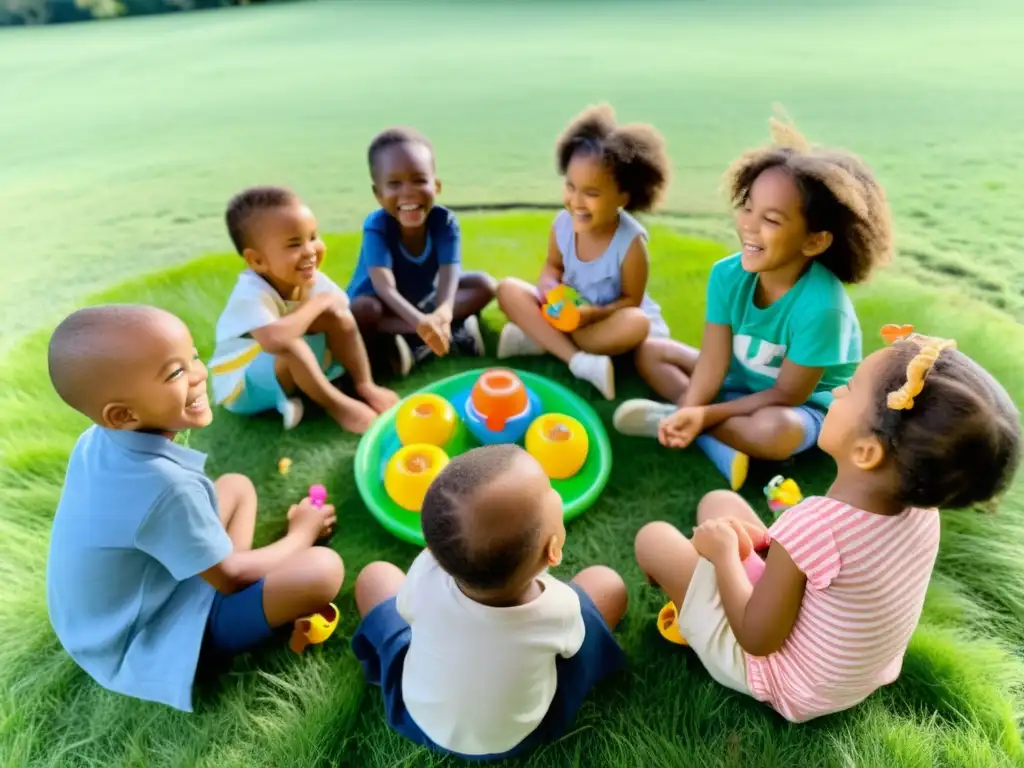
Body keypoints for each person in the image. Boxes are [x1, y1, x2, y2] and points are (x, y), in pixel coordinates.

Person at [635, 326, 1021, 723]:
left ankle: (686, 602)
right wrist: (758, 545)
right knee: (720, 504)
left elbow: (757, 638)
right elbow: (833, 571)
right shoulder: (922, 515)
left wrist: (724, 556)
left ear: (866, 452)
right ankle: (696, 583)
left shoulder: (813, 527)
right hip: (848, 678)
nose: (836, 393)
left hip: (781, 680)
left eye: (850, 390)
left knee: (655, 540)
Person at [45, 304, 345, 712]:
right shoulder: (164, 488)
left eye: (194, 358)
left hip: (103, 616)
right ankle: (229, 619)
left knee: (236, 487)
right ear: (123, 414)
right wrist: (302, 534)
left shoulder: (98, 439)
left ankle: (224, 569)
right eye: (175, 373)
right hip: (147, 637)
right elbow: (230, 577)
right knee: (322, 570)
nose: (200, 374)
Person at [614, 116, 893, 489]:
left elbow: (787, 393)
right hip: (739, 381)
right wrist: (693, 407)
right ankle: (707, 433)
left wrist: (706, 413)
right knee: (651, 352)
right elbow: (713, 360)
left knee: (775, 431)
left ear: (814, 241)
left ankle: (697, 427)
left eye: (772, 220)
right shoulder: (727, 275)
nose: (749, 225)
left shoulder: (824, 308)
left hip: (801, 407)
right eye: (747, 207)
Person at [350, 444, 628, 760]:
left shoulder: (425, 573)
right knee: (607, 585)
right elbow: (572, 648)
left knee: (376, 576)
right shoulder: (560, 607)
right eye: (552, 493)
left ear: (436, 551)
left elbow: (405, 609)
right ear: (554, 550)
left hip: (421, 717)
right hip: (519, 734)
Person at [495, 104, 671, 400]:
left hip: (604, 319)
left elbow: (631, 301)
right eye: (571, 186)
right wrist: (548, 287)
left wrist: (591, 315)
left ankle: (541, 339)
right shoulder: (562, 225)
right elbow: (552, 267)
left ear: (624, 197)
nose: (576, 201)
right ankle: (580, 361)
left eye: (591, 193)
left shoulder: (631, 244)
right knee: (507, 289)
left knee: (637, 324)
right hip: (566, 311)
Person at [209, 186, 398, 433]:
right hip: (243, 387)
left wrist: (322, 308)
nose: (310, 250)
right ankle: (340, 407)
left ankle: (365, 386)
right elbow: (276, 340)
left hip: (280, 367)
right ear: (257, 260)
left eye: (313, 237)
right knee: (291, 343)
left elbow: (341, 313)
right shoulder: (250, 293)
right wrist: (315, 303)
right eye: (294, 244)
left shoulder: (310, 278)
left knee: (334, 318)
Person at [347, 127, 497, 376]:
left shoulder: (444, 221)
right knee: (363, 310)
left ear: (436, 186)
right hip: (383, 308)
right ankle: (429, 339)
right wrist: (420, 323)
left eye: (419, 180)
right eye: (394, 184)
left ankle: (435, 335)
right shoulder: (377, 227)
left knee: (484, 285)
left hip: (422, 301)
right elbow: (385, 288)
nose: (408, 192)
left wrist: (444, 312)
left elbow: (450, 272)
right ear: (378, 194)